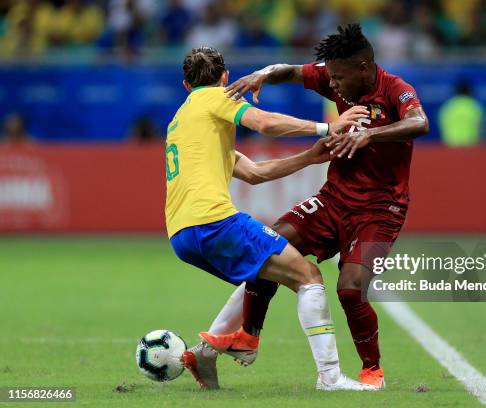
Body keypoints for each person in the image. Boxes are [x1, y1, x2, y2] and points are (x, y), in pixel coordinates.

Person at [200, 24, 429, 390]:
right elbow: (288, 70)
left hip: (381, 209)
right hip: (335, 197)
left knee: (350, 289)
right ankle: (248, 335)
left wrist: (371, 133)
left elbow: (420, 122)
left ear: (364, 67)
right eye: (330, 76)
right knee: (268, 246)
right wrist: (262, 74)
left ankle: (373, 370)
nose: (333, 84)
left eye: (339, 77)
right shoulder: (334, 75)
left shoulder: (395, 90)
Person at [166, 46, 373, 391]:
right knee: (308, 276)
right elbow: (264, 122)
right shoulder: (217, 98)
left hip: (181, 236)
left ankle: (213, 350)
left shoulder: (182, 122)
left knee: (264, 273)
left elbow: (253, 173)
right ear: (226, 79)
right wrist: (326, 127)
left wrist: (310, 157)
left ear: (185, 85)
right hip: (214, 222)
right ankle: (330, 377)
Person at [438, 81, 485, 147]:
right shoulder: (475, 106)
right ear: (470, 92)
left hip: (451, 147)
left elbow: (442, 126)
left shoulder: (447, 107)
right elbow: (481, 128)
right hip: (471, 147)